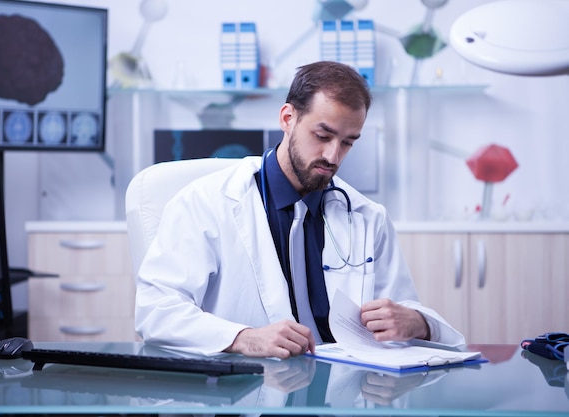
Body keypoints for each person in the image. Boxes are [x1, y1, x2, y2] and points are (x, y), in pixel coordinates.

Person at [134, 61, 465, 359]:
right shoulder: (205, 202)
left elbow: (398, 311)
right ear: (288, 119)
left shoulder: (367, 216)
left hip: (345, 393)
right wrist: (242, 337)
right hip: (251, 394)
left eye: (348, 142)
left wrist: (419, 322)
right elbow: (156, 311)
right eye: (322, 135)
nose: (334, 156)